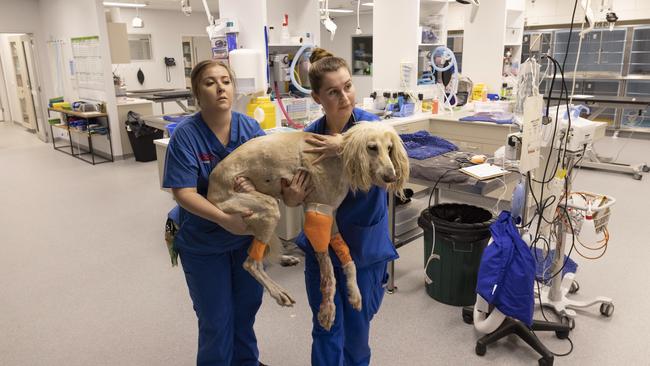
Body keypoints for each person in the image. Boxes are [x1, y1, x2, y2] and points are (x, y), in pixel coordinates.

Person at [162, 59, 308, 366]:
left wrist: (289, 196)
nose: (219, 88)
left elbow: (268, 181)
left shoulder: (249, 128)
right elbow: (183, 192)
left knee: (245, 312)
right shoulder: (186, 137)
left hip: (245, 240)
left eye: (225, 81)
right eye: (209, 82)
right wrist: (224, 219)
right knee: (216, 320)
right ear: (196, 94)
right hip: (204, 242)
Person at [295, 48, 399, 366]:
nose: (344, 97)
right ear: (317, 97)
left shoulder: (374, 129)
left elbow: (390, 179)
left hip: (363, 248)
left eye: (348, 86)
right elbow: (301, 195)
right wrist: (291, 195)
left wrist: (346, 145)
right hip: (322, 248)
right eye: (333, 92)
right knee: (326, 327)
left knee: (356, 332)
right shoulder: (311, 137)